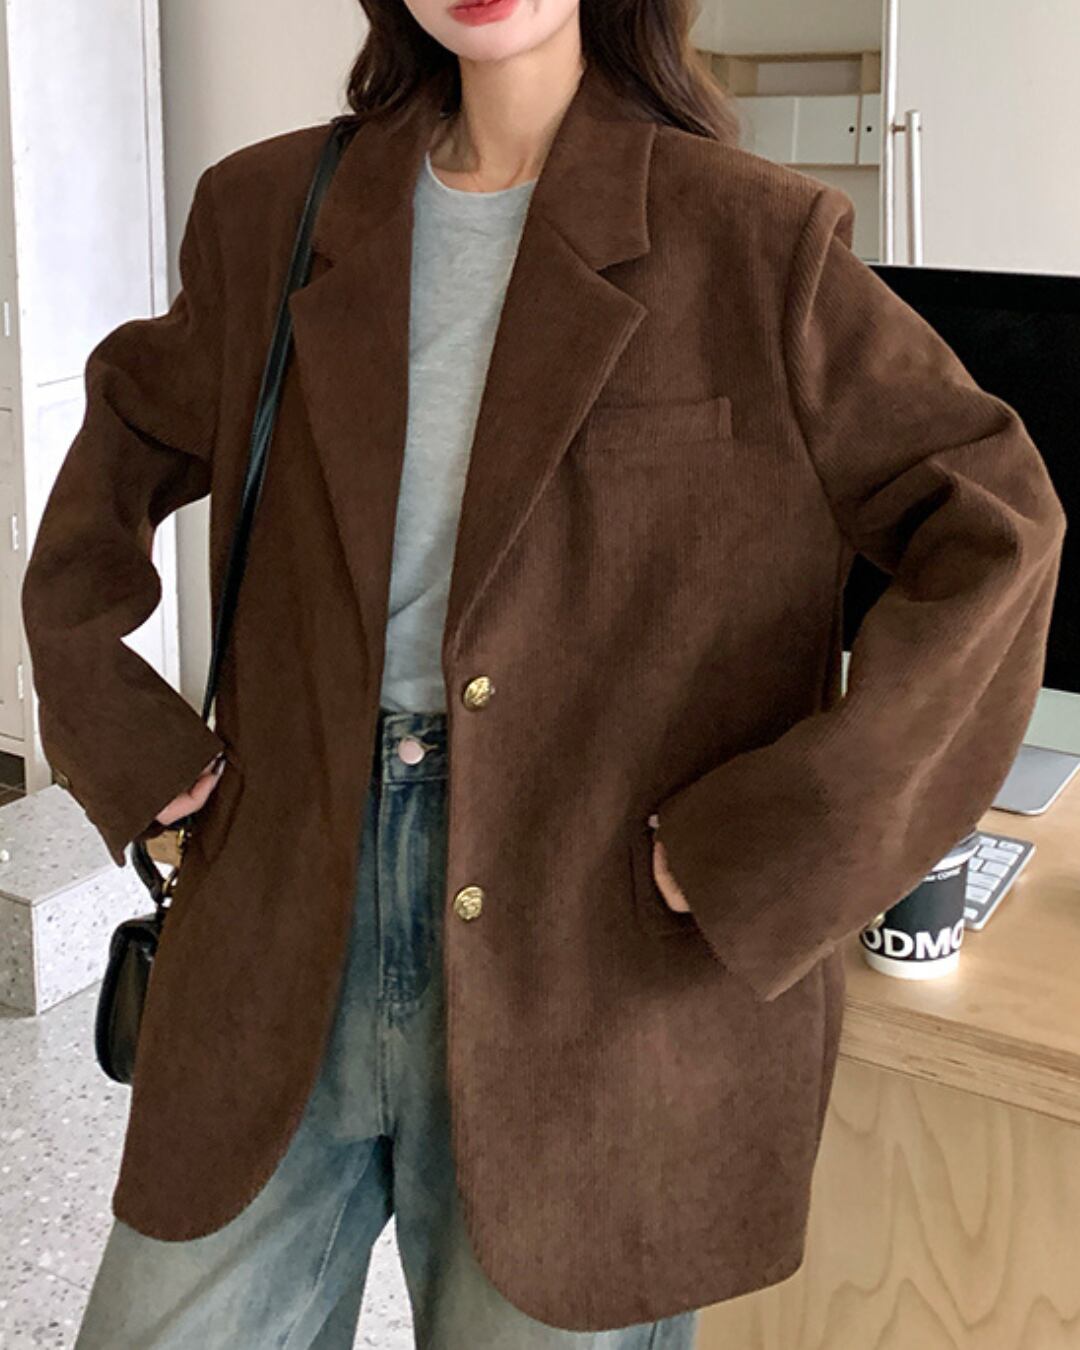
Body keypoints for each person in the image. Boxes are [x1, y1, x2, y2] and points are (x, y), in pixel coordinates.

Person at [21, 0, 1067, 1345]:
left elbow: (998, 528)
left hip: (596, 957)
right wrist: (125, 740)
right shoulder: (269, 211)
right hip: (281, 907)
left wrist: (776, 837)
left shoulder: (753, 238)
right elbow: (114, 452)